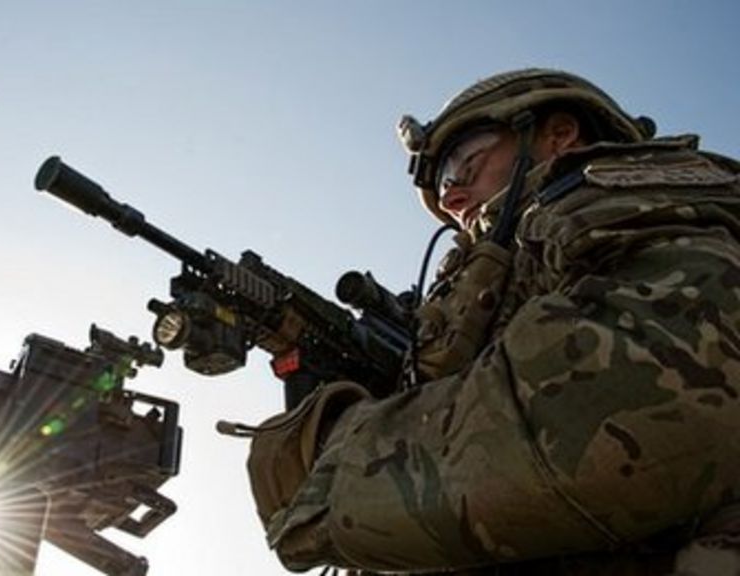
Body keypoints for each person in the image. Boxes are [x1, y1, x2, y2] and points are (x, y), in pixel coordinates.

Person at [245, 69, 740, 575]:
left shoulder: (621, 199)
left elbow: (643, 398)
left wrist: (339, 455)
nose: (450, 197)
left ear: (559, 134)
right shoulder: (503, 270)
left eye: (465, 164)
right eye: (443, 184)